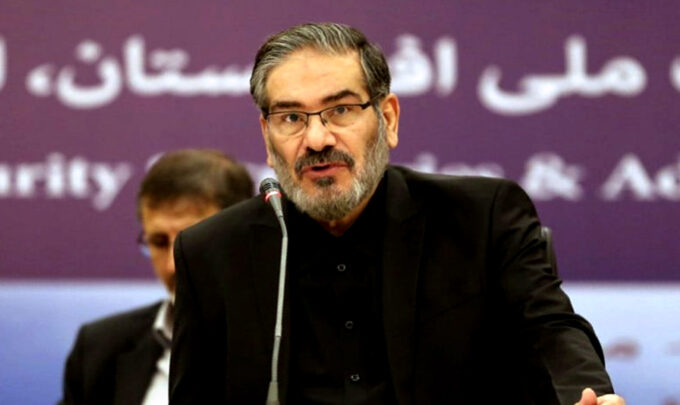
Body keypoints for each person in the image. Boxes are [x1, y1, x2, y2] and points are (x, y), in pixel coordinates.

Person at [169, 23, 626, 405]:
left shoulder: (481, 218)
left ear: (387, 119)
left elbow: (549, 330)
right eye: (291, 118)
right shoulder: (211, 253)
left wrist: (585, 396)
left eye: (341, 110)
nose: (317, 139)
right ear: (267, 137)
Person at [59, 149, 254, 405]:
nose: (173, 265)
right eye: (159, 242)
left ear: (239, 238)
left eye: (192, 241)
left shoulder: (286, 345)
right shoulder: (100, 350)